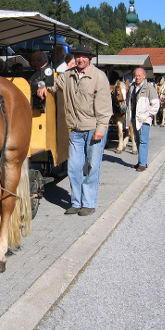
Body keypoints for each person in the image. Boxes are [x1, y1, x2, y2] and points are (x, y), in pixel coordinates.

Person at [37, 42, 112, 216]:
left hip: (94, 129)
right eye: (78, 56)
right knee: (73, 167)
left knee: (93, 167)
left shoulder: (99, 77)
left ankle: (89, 203)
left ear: (90, 59)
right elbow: (54, 85)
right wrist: (43, 87)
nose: (81, 59)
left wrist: (101, 127)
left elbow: (105, 107)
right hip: (76, 130)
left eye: (84, 56)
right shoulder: (68, 75)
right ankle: (76, 202)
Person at [125, 67, 160, 172]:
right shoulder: (132, 87)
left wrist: (146, 115)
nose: (137, 78)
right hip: (134, 118)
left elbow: (155, 105)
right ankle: (140, 161)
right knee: (137, 140)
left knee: (143, 141)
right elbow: (128, 103)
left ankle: (143, 164)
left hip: (144, 119)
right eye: (136, 75)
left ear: (144, 76)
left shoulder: (149, 88)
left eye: (139, 76)